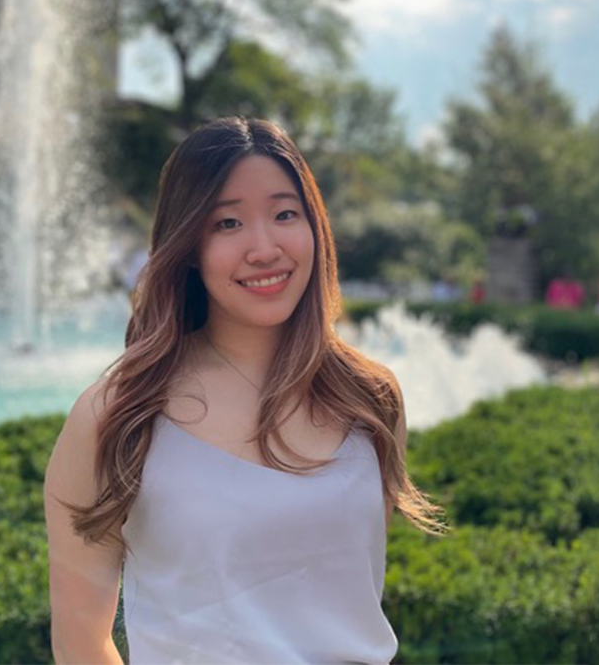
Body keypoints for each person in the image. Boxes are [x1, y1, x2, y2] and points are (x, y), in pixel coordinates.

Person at [44, 117, 446, 664]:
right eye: (228, 223)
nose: (264, 248)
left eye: (285, 214)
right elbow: (81, 642)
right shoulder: (118, 415)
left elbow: (342, 601)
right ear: (188, 244)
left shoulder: (369, 399)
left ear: (314, 227)